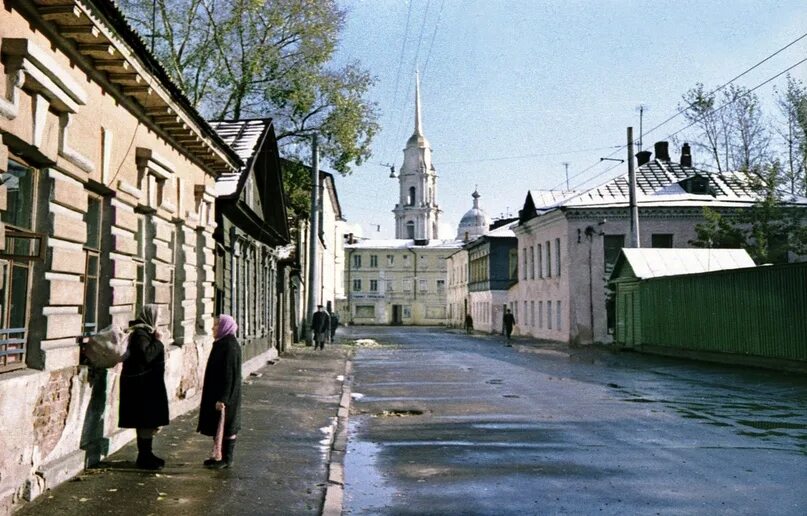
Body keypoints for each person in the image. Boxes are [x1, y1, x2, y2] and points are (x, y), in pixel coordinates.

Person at [119, 304, 169, 470]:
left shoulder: (145, 332)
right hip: (141, 387)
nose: (159, 320)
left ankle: (147, 454)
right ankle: (144, 457)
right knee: (145, 421)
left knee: (147, 421)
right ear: (150, 316)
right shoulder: (140, 334)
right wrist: (159, 342)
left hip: (147, 385)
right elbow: (147, 355)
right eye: (158, 317)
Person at [198, 314, 242, 469]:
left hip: (225, 395)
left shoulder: (229, 346)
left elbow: (229, 375)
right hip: (218, 392)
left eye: (216, 325)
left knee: (227, 424)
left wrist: (223, 398)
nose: (213, 327)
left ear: (224, 327)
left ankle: (226, 459)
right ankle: (218, 456)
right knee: (219, 424)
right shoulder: (222, 343)